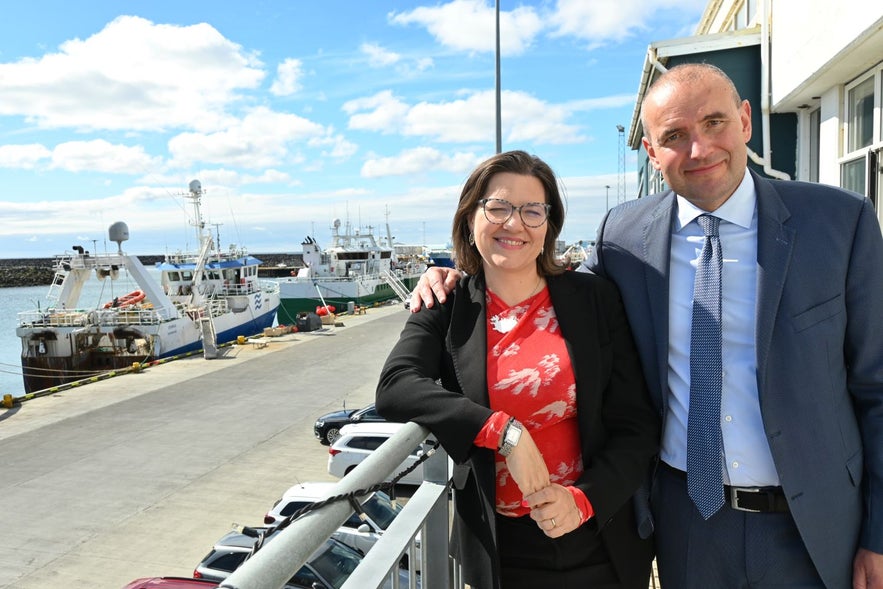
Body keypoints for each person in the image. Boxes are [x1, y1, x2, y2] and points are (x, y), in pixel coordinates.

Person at [410, 64, 883, 589]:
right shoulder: (623, 236)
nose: (699, 150)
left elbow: (877, 388)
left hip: (816, 527)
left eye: (715, 123)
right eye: (674, 136)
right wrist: (455, 276)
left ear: (746, 121)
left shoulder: (841, 223)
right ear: (652, 153)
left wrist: (880, 533)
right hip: (684, 522)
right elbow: (547, 292)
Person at [376, 150, 659, 589]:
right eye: (499, 207)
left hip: (596, 536)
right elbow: (396, 386)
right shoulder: (446, 306)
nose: (515, 224)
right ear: (470, 217)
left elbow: (635, 424)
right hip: (500, 551)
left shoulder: (594, 299)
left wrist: (583, 500)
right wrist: (505, 433)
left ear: (549, 225)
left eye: (532, 211)